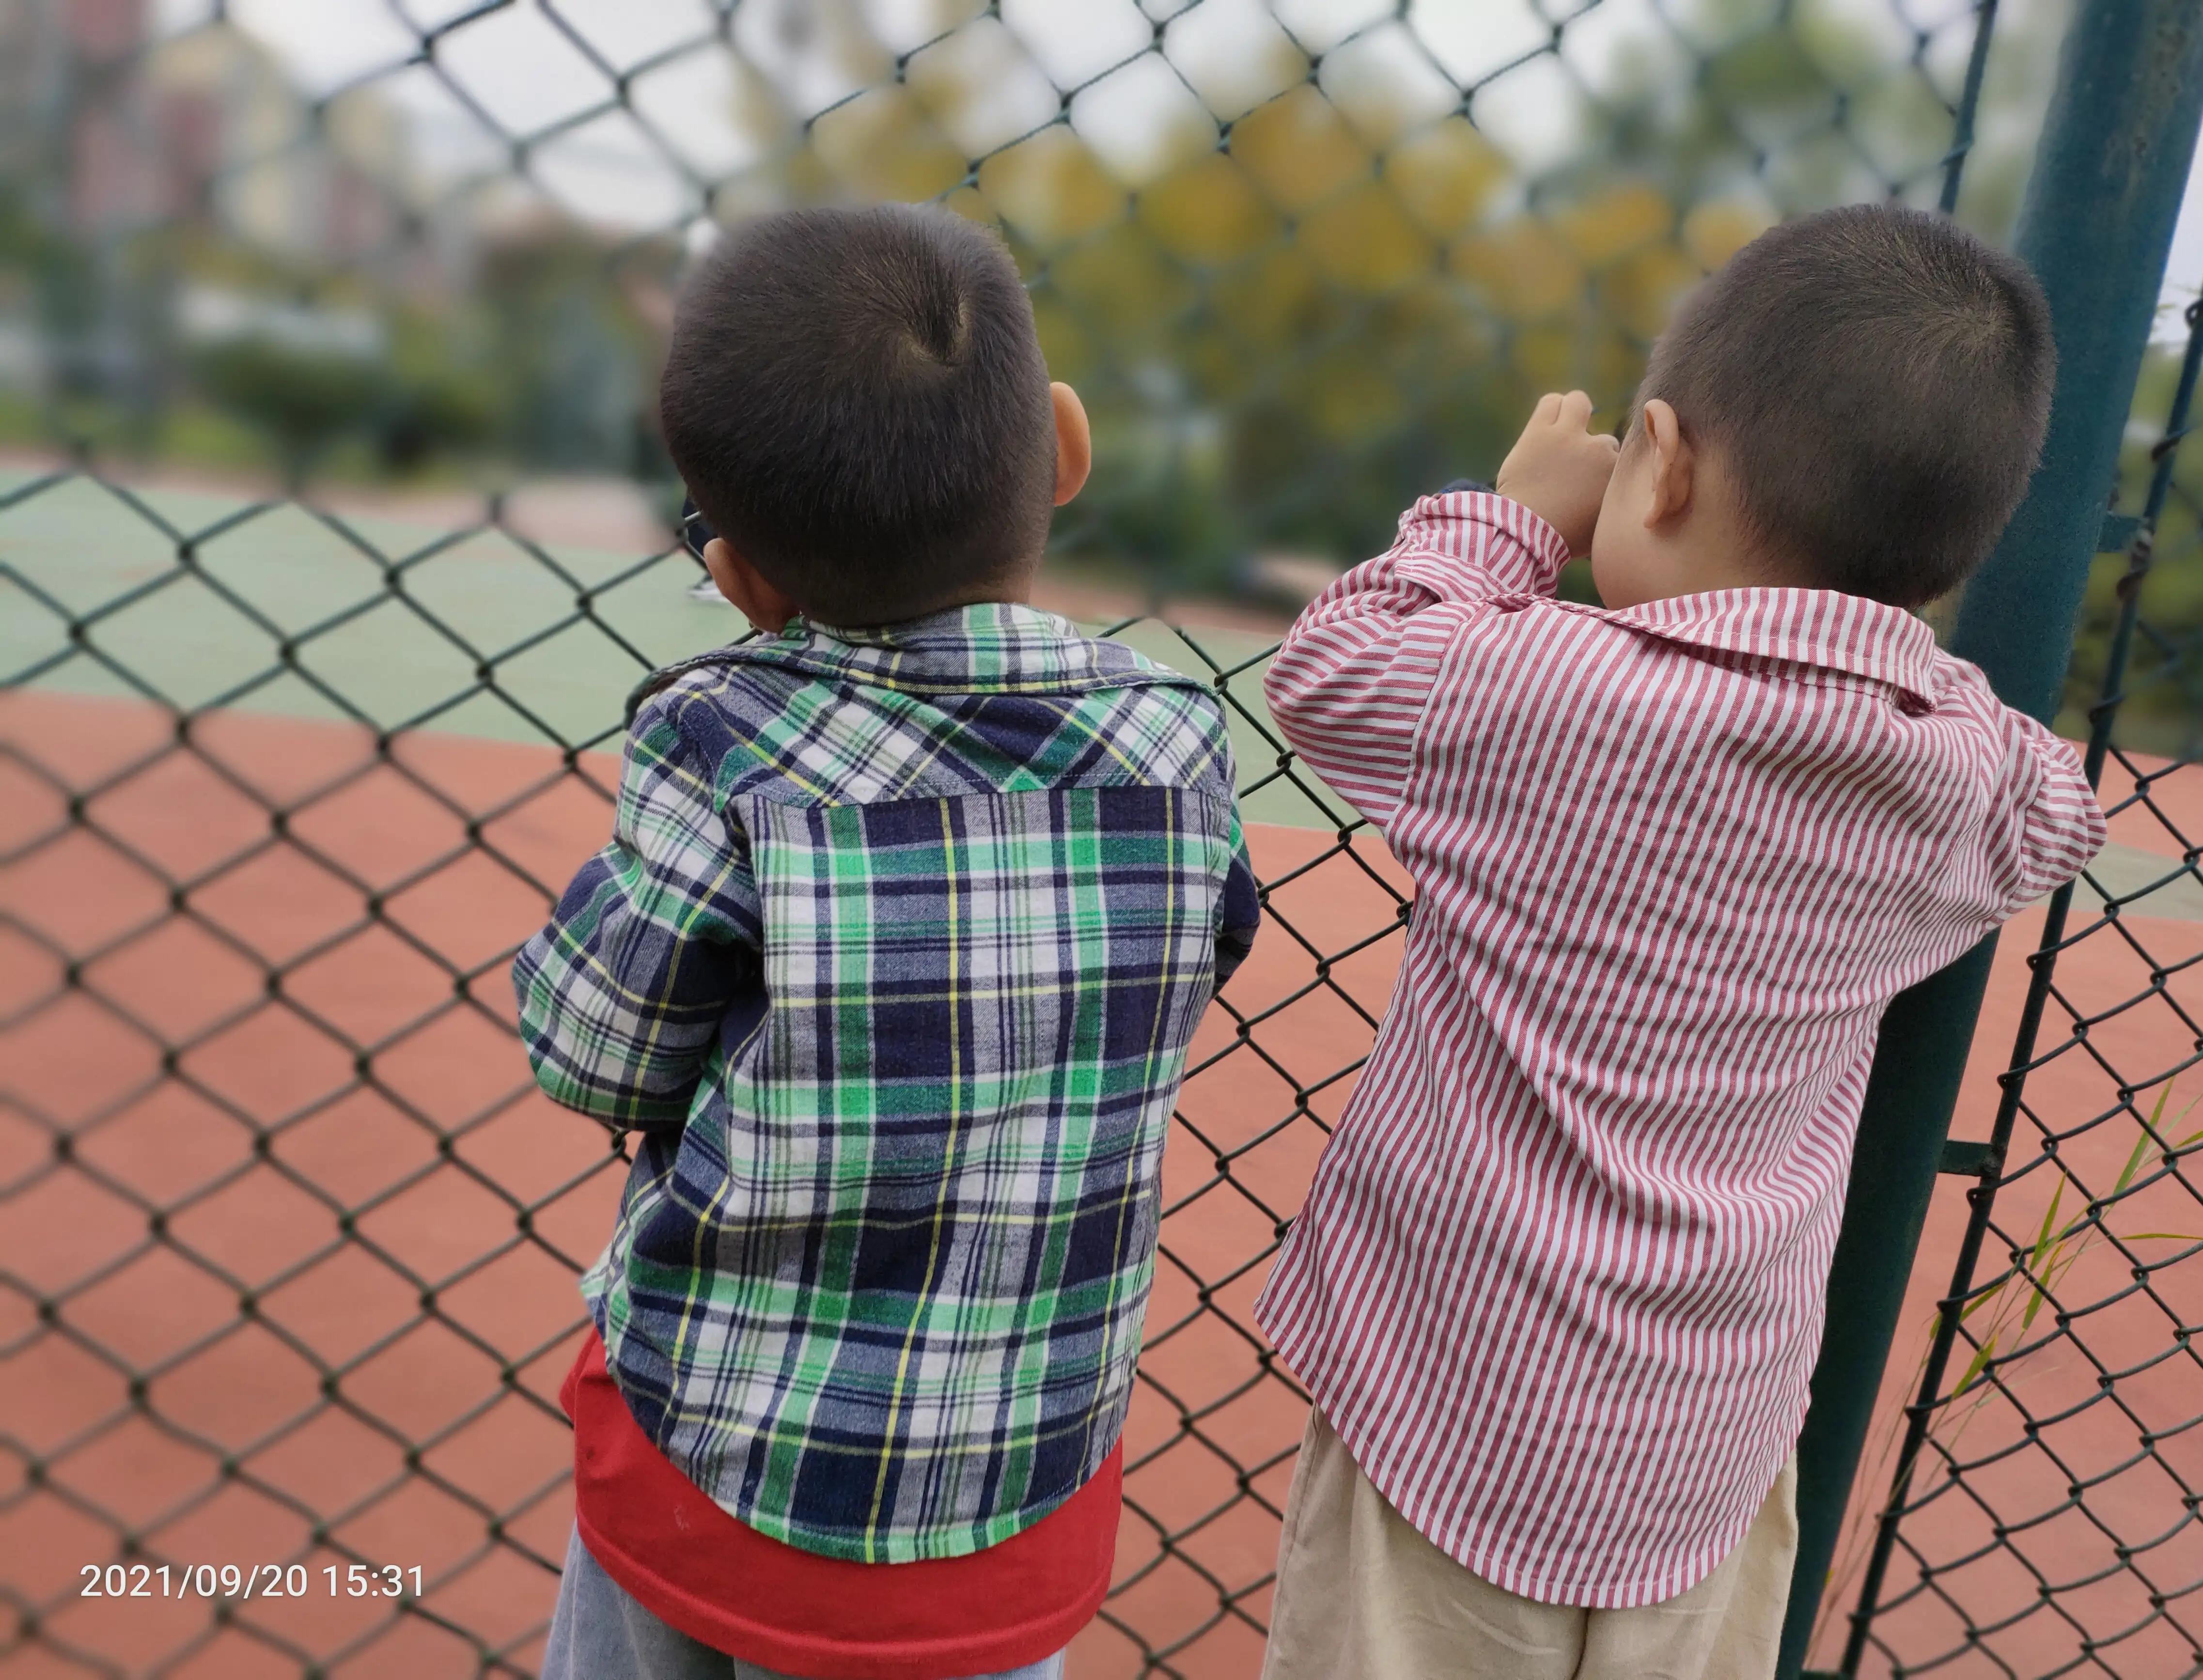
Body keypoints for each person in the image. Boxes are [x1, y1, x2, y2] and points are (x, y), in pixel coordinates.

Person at [1251, 203, 2107, 1680]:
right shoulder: (1947, 776)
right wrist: (1900, 653)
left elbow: (1330, 667)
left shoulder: (1533, 688)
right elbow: (2057, 804)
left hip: (1450, 1411)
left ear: (1665, 457)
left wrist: (1510, 515)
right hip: (1705, 1446)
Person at [514, 202, 1259, 1680]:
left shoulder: (724, 737)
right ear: (1064, 446)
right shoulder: (1178, 741)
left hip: (717, 1461)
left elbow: (596, 1052)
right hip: (1008, 1489)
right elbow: (1205, 946)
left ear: (737, 576)